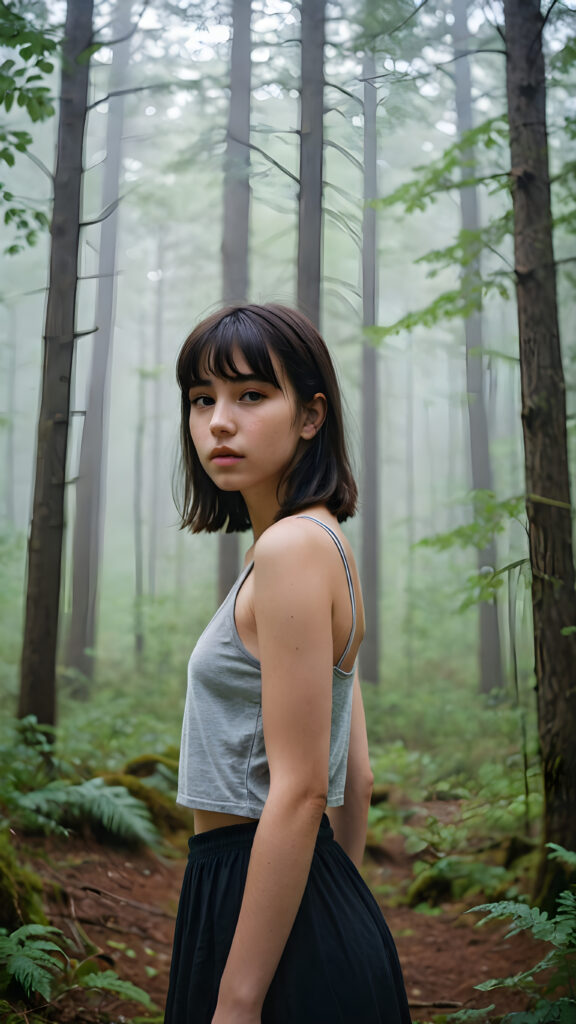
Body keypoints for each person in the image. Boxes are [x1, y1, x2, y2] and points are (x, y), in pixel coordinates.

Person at [164, 304, 411, 1024]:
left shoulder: (291, 550)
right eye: (201, 399)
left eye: (250, 395)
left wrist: (239, 1001)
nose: (218, 422)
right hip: (295, 899)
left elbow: (305, 790)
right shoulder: (320, 543)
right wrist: (328, 904)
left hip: (256, 892)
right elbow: (354, 778)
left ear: (310, 416)